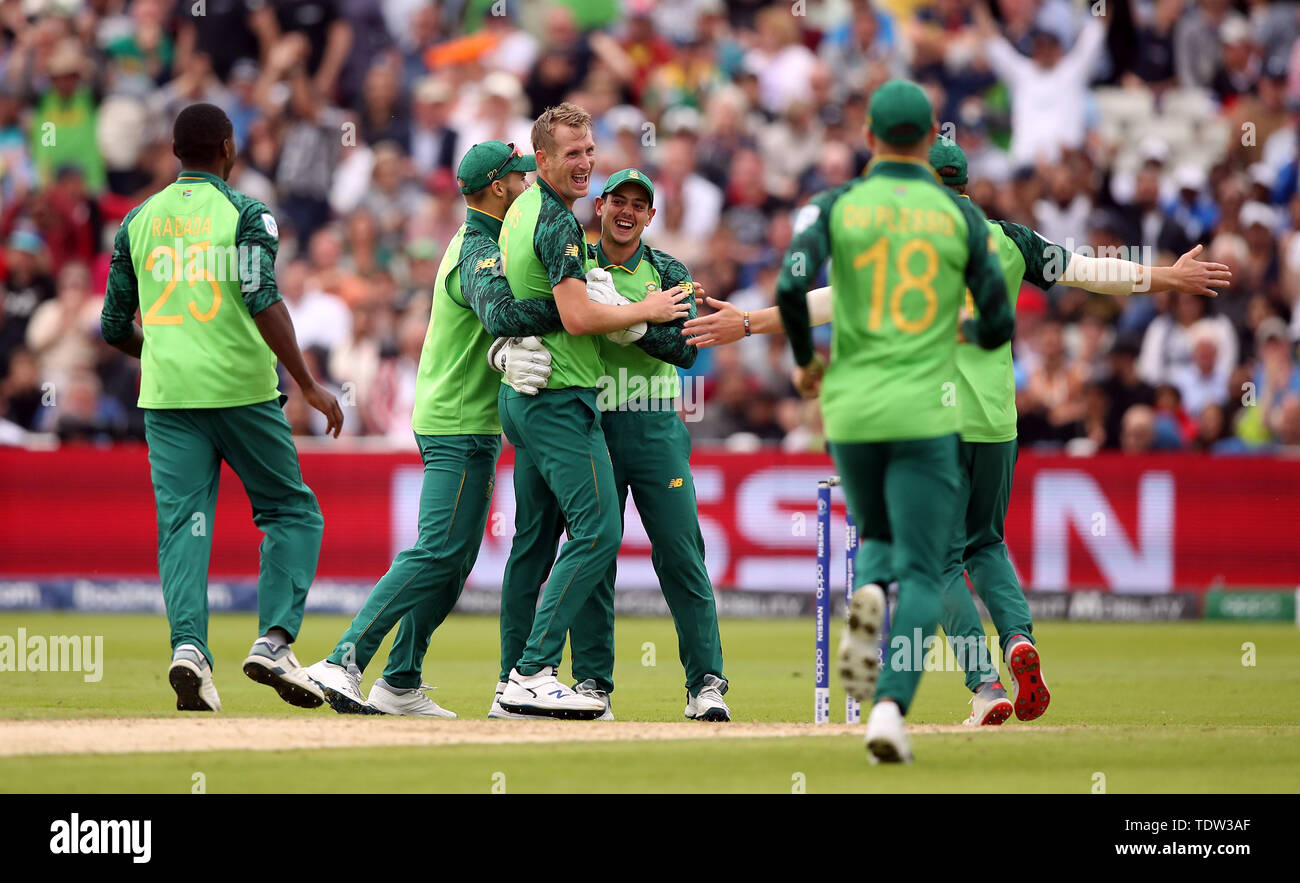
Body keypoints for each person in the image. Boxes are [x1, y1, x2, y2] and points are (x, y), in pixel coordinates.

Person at [686, 139, 1229, 731]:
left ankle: (985, 685)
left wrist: (746, 322)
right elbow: (1091, 273)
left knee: (939, 559)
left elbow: (826, 304)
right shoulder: (1011, 240)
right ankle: (1018, 640)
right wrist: (1167, 277)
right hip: (996, 424)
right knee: (985, 544)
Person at [773, 79, 1013, 762]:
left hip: (849, 404)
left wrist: (802, 360)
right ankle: (886, 711)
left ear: (870, 136)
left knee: (875, 534)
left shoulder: (834, 204)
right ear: (932, 133)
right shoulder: (963, 219)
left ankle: (867, 592)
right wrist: (961, 328)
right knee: (926, 564)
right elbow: (998, 322)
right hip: (927, 407)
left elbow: (791, 287)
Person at [305, 141, 571, 716]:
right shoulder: (478, 247)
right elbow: (499, 314)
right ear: (498, 187)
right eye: (521, 178)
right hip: (456, 423)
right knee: (435, 554)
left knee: (453, 560)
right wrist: (572, 305)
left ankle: (399, 681)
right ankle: (342, 659)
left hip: (467, 421)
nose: (530, 185)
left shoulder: (486, 239)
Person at [99, 103, 343, 712]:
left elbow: (111, 326)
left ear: (175, 151)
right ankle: (274, 642)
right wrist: (308, 384)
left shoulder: (136, 221)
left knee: (184, 527)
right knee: (291, 510)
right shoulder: (246, 213)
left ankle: (189, 651)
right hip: (242, 392)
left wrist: (159, 350)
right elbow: (262, 297)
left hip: (167, 397)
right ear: (228, 150)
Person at [493, 167, 730, 722]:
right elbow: (542, 317)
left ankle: (705, 684)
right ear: (600, 206)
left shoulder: (667, 268)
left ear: (651, 216)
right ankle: (593, 681)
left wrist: (638, 327)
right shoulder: (575, 256)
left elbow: (688, 347)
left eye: (638, 205)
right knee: (594, 552)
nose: (627, 211)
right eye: (617, 201)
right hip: (587, 419)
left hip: (652, 426)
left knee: (681, 553)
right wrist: (501, 351)